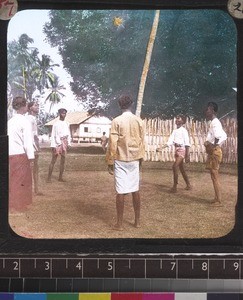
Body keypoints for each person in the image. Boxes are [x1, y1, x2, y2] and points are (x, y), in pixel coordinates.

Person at [106, 95, 145, 231]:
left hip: (120, 159)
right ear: (131, 104)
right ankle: (137, 221)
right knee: (135, 190)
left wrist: (110, 161)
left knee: (121, 191)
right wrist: (141, 159)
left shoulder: (116, 121)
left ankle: (120, 224)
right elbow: (142, 142)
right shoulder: (139, 121)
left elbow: (113, 143)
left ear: (119, 105)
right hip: (134, 158)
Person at [8, 96, 35, 213]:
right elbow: (28, 141)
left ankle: (16, 203)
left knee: (14, 178)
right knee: (21, 180)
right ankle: (18, 205)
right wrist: (31, 157)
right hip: (20, 154)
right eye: (26, 105)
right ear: (23, 107)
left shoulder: (10, 121)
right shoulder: (25, 121)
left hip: (10, 154)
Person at [157, 115, 191, 193]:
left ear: (183, 122)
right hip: (176, 150)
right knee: (181, 169)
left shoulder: (184, 131)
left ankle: (175, 187)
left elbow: (187, 143)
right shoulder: (175, 131)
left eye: (179, 119)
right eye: (176, 119)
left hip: (182, 150)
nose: (177, 120)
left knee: (175, 166)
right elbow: (170, 142)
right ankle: (188, 185)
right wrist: (161, 148)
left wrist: (187, 155)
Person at [204, 102, 227, 206]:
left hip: (215, 151)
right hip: (214, 151)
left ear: (212, 110)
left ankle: (219, 200)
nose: (206, 111)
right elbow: (221, 136)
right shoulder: (213, 122)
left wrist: (212, 147)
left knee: (215, 175)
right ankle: (217, 198)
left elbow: (218, 136)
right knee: (213, 175)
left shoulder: (215, 122)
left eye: (208, 110)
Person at [47, 108, 71, 182]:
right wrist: (53, 145)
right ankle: (49, 178)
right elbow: (53, 135)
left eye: (65, 113)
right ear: (59, 114)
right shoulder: (56, 124)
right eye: (63, 113)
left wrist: (69, 143)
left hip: (65, 141)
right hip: (57, 142)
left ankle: (60, 177)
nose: (64, 115)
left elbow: (69, 134)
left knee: (63, 160)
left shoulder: (67, 123)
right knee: (53, 160)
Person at [26, 101, 43, 195]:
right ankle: (31, 190)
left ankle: (36, 189)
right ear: (30, 108)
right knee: (31, 168)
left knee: (36, 168)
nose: (38, 107)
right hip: (31, 147)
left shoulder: (33, 118)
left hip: (34, 147)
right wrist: (35, 146)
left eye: (38, 105)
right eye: (35, 105)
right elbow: (30, 135)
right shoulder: (29, 119)